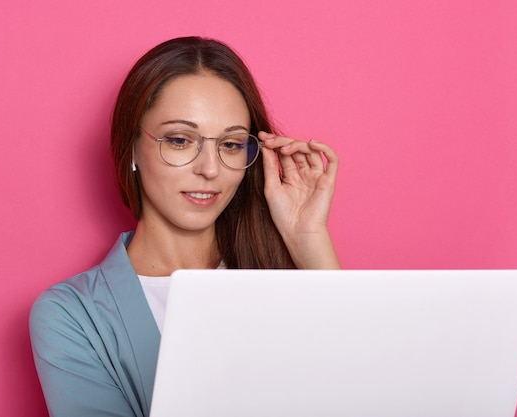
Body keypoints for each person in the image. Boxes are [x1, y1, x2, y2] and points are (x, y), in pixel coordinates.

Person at [29, 36, 340, 417]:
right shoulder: (73, 316)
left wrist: (308, 238)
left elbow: (365, 393)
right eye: (179, 140)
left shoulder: (286, 277)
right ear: (130, 150)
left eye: (230, 144)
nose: (209, 169)